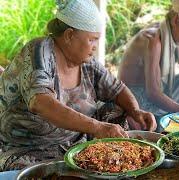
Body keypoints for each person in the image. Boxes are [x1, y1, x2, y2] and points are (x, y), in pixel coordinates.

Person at [0, 0, 156, 171]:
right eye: (92, 40)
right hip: (29, 147)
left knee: (116, 109)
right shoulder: (39, 51)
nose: (95, 47)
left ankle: (111, 164)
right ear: (69, 35)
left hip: (75, 143)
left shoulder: (86, 62)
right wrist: (97, 127)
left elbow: (117, 89)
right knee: (38, 172)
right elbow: (40, 102)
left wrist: (136, 111)